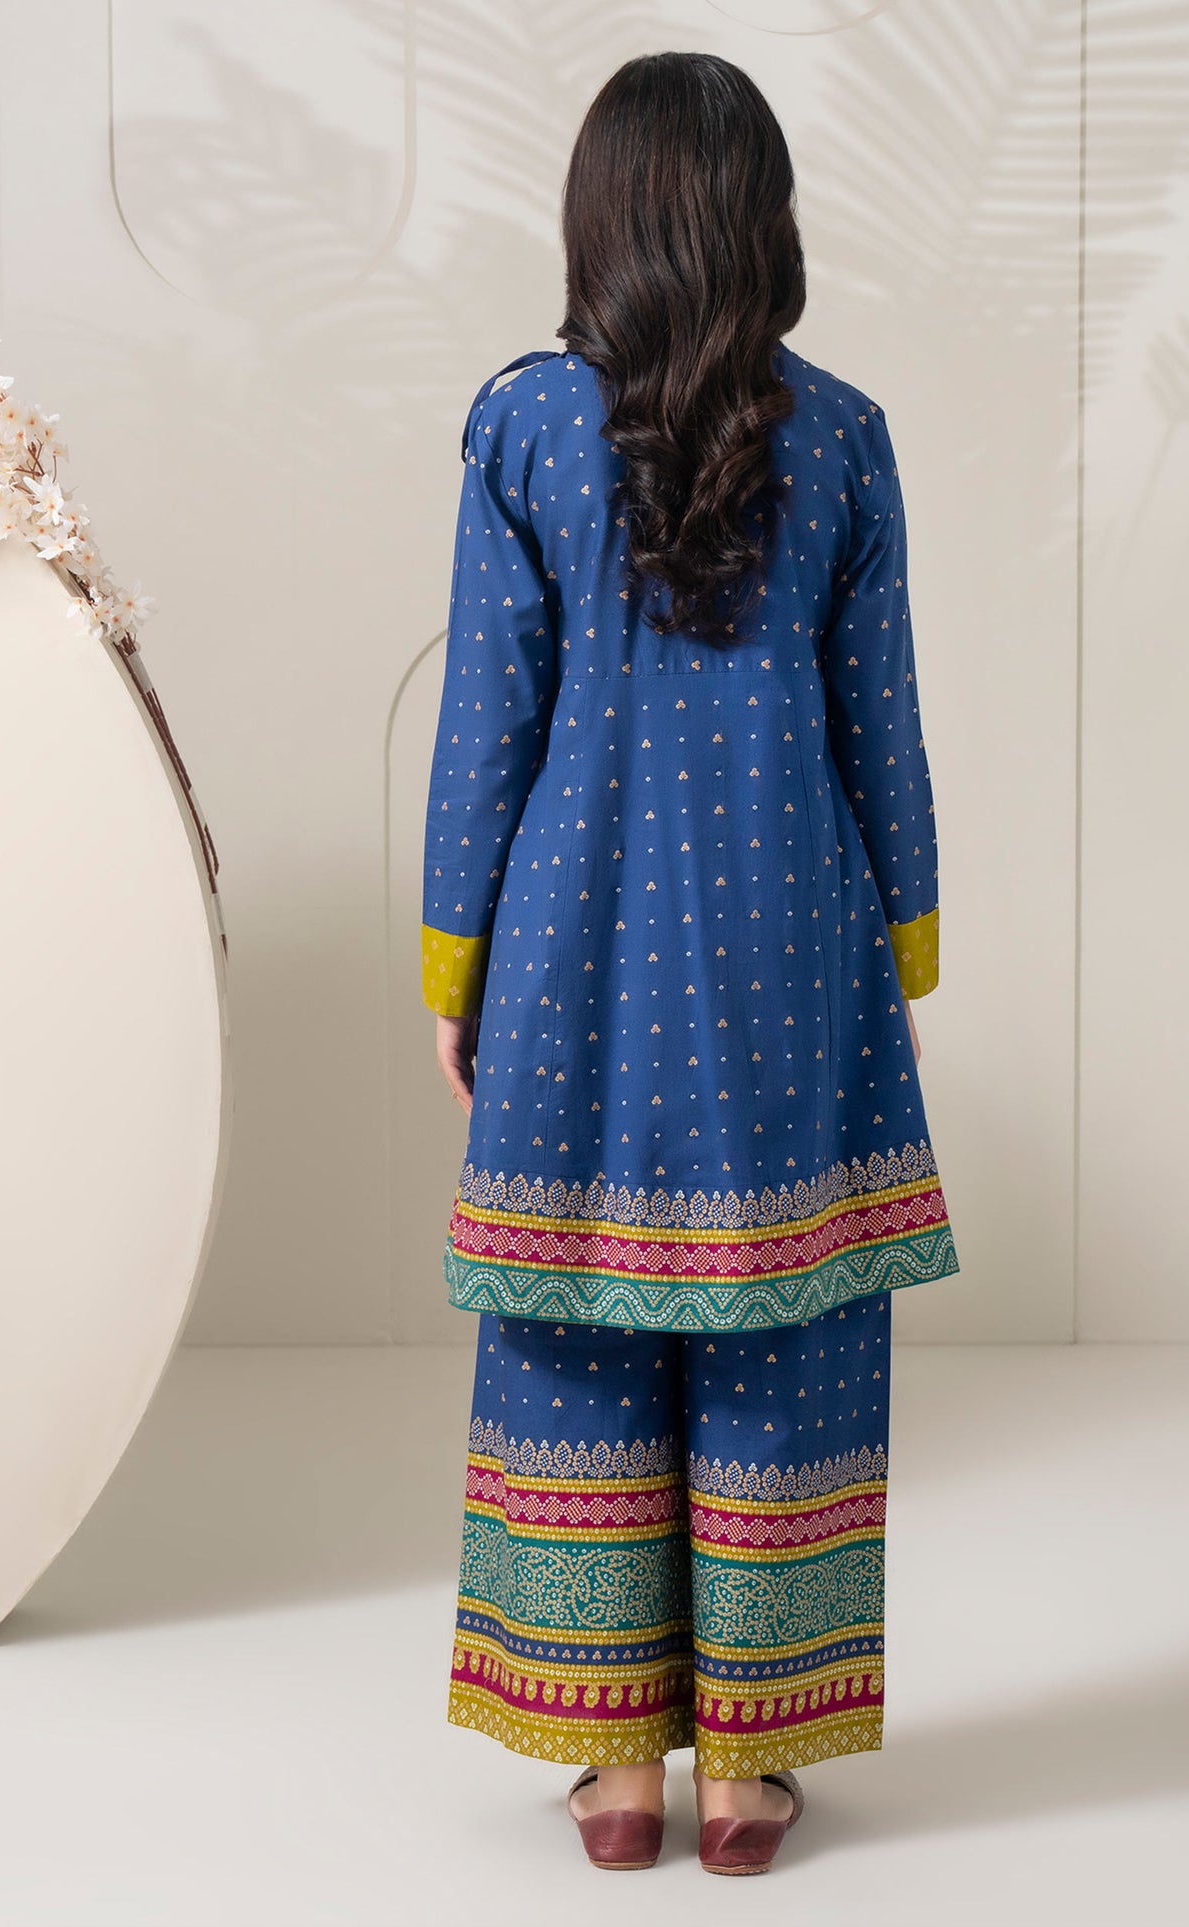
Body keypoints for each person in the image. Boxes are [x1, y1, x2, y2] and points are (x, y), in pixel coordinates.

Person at [421, 50, 960, 1876]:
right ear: (763, 222)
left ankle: (614, 1778)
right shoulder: (844, 434)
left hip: (569, 948)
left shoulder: (519, 428)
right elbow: (878, 723)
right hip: (790, 945)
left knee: (571, 1322)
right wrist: (901, 948)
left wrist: (454, 968)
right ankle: (749, 1775)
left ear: (599, 220)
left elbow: (486, 726)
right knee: (782, 1331)